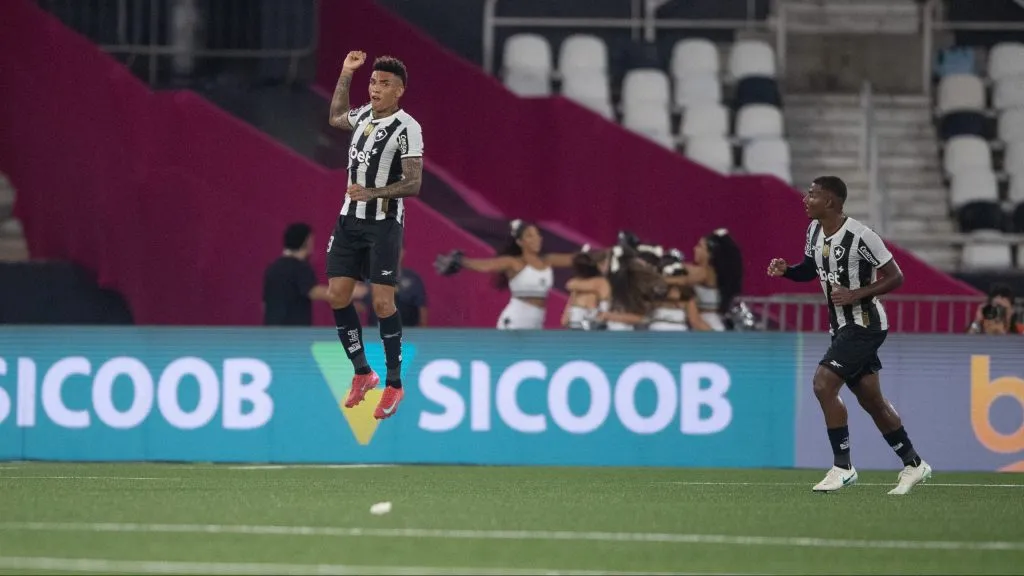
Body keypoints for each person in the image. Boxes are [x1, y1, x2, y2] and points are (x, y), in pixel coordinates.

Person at [767, 175, 931, 495]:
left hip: (865, 324)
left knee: (823, 383)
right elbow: (810, 269)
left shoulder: (861, 236)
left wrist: (856, 294)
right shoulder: (814, 230)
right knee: (871, 400)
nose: (805, 199)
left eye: (812, 194)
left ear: (830, 201)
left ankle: (843, 467)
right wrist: (788, 271)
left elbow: (896, 277)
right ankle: (914, 464)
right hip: (841, 326)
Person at [325, 50, 423, 420]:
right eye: (372, 82)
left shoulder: (407, 127)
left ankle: (394, 383)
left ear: (399, 91)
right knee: (337, 295)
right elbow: (336, 117)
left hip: (383, 223)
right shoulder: (364, 114)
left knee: (383, 304)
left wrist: (373, 193)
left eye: (384, 84)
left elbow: (413, 183)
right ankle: (363, 373)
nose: (375, 89)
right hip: (348, 219)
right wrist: (346, 73)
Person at [435, 220, 579, 330]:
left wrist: (591, 255)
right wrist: (461, 261)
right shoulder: (513, 262)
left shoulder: (548, 260)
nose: (536, 239)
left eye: (537, 235)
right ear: (520, 242)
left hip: (536, 323)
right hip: (515, 322)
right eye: (530, 236)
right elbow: (487, 265)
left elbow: (576, 260)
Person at [666, 229, 744, 331]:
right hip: (711, 323)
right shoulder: (713, 272)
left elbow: (681, 280)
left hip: (707, 326)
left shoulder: (705, 273)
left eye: (700, 246)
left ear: (710, 254)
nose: (694, 249)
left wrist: (656, 278)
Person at [262, 223, 329, 326]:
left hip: (271, 329)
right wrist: (346, 292)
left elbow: (264, 304)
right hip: (295, 331)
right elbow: (314, 292)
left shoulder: (272, 268)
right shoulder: (300, 267)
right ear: (307, 241)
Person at [363, 248, 429, 327]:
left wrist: (421, 330)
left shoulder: (413, 279)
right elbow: (360, 303)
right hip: (377, 330)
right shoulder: (372, 278)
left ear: (403, 253)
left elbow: (422, 309)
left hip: (408, 330)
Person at [561, 249, 611, 330]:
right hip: (579, 320)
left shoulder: (602, 282)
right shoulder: (579, 282)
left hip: (592, 321)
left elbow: (570, 285)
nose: (606, 267)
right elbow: (570, 286)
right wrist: (566, 317)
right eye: (603, 264)